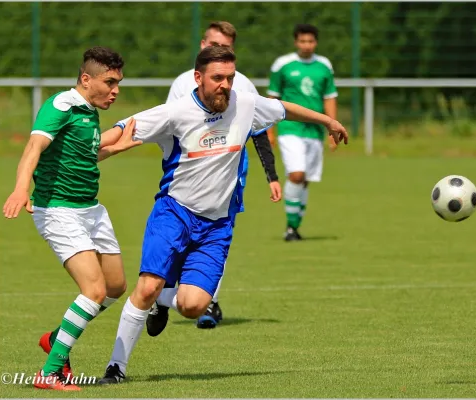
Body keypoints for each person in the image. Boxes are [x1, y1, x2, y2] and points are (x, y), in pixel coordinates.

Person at [97, 46, 347, 385]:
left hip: (217, 226)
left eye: (229, 77)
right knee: (147, 286)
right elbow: (124, 129)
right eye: (217, 78)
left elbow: (285, 109)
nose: (225, 85)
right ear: (198, 78)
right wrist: (88, 152)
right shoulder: (176, 112)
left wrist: (328, 120)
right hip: (173, 212)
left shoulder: (245, 103)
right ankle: (116, 367)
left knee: (193, 306)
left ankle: (163, 301)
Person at [2, 47, 141, 391]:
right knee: (92, 290)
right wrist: (21, 189)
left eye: (118, 82)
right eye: (109, 82)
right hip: (59, 211)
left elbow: (85, 154)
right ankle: (48, 374)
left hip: (92, 210)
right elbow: (33, 148)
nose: (116, 90)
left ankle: (57, 338)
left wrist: (120, 145)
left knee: (115, 287)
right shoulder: (61, 105)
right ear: (85, 79)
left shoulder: (89, 110)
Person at [147, 21, 280, 332]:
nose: (218, 51)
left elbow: (258, 130)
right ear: (202, 45)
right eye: (213, 44)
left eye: (227, 47)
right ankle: (163, 299)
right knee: (178, 239)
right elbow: (167, 128)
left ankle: (209, 301)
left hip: (231, 173)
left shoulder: (243, 85)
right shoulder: (182, 83)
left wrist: (271, 175)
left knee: (217, 233)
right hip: (189, 176)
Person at [266, 23, 339, 241]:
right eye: (302, 41)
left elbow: (329, 97)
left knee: (305, 179)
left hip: (314, 130)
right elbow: (272, 98)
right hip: (290, 126)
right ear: (296, 42)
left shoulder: (324, 66)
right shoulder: (283, 65)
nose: (306, 45)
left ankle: (295, 226)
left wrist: (331, 127)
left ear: (316, 42)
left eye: (310, 41)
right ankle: (290, 228)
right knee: (296, 174)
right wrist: (269, 129)